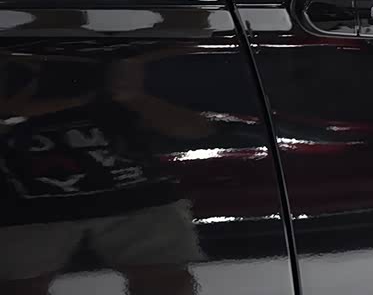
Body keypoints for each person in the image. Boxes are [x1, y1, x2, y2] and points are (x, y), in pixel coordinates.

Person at [0, 49, 213, 294]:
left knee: (166, 283)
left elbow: (198, 129)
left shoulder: (134, 58)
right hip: (31, 206)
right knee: (18, 284)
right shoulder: (137, 49)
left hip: (135, 198)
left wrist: (132, 95)